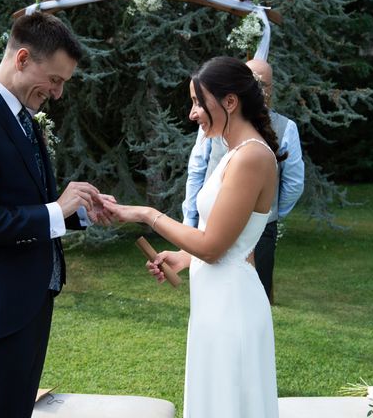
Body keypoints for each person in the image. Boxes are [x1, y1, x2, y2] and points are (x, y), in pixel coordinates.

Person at [0, 12, 114, 418]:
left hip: (32, 300)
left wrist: (81, 211)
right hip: (1, 309)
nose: (57, 94)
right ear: (21, 59)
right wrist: (56, 209)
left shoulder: (19, 115)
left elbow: (22, 201)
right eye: (54, 80)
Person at [105, 56, 283, 418]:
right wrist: (187, 258)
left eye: (198, 102)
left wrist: (147, 214)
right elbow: (236, 245)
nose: (192, 113)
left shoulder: (250, 158)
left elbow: (215, 248)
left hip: (232, 310)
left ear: (229, 102)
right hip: (217, 303)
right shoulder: (235, 154)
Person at [182, 59, 304, 303]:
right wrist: (189, 226)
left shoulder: (253, 153)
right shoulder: (212, 127)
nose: (193, 114)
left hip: (241, 265)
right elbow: (196, 172)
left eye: (263, 84)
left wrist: (264, 214)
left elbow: (294, 183)